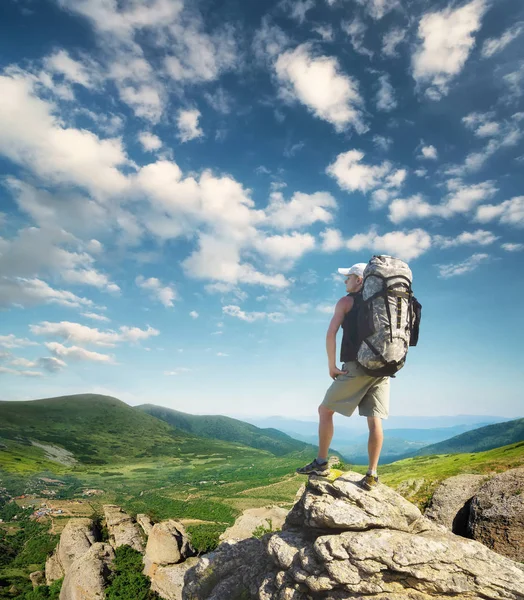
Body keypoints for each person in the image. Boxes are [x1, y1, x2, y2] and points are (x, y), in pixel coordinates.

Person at [296, 262, 390, 490]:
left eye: (348, 277)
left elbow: (331, 333)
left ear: (359, 280)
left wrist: (332, 365)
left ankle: (321, 462)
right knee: (374, 419)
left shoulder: (346, 302)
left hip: (357, 366)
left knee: (324, 410)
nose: (344, 281)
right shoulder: (382, 302)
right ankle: (371, 475)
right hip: (384, 368)